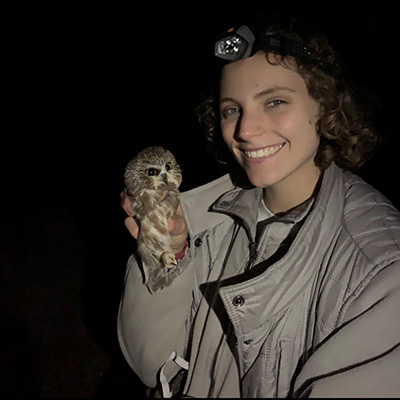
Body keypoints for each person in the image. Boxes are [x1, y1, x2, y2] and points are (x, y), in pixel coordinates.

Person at [118, 18, 400, 398]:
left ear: (326, 105)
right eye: (232, 109)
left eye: (275, 102)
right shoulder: (205, 222)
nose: (246, 130)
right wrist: (168, 258)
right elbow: (156, 365)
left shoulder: (381, 271)